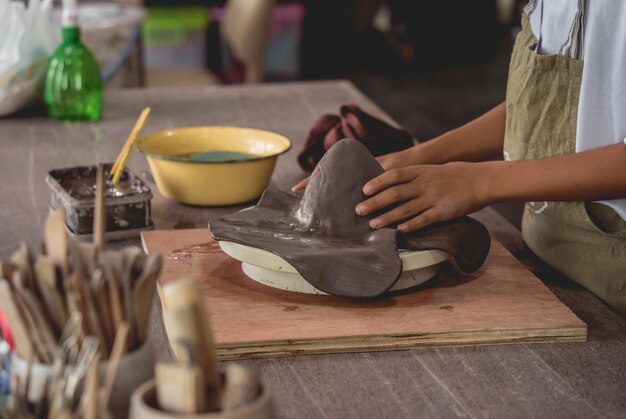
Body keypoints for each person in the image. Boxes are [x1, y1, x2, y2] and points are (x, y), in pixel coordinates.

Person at [293, 0, 626, 316]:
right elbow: (540, 110)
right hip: (546, 262)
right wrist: (420, 157)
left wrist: (479, 182)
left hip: (612, 289)